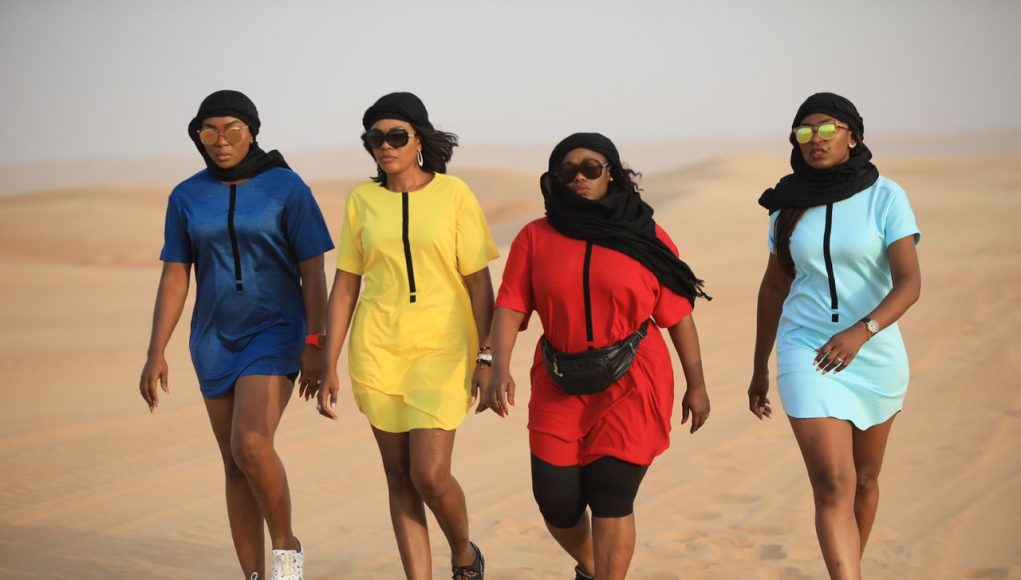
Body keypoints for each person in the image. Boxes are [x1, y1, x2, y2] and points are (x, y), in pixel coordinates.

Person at [481, 133, 711, 580]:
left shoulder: (646, 236)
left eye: (591, 168)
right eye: (567, 171)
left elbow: (679, 317)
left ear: (612, 174)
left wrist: (696, 384)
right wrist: (499, 368)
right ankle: (591, 567)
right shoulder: (535, 237)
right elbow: (510, 306)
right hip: (558, 377)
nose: (580, 178)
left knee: (612, 495)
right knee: (556, 500)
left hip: (633, 379)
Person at [139, 90, 333, 580]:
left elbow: (313, 270)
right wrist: (156, 350)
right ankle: (253, 574)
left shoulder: (286, 188)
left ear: (252, 132)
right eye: (209, 129)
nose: (220, 139)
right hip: (212, 338)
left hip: (276, 330)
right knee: (233, 463)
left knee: (250, 443)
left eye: (232, 129)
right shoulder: (186, 196)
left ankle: (286, 551)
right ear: (198, 136)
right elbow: (176, 275)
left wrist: (316, 342)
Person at [314, 92, 497, 580]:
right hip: (377, 350)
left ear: (419, 140)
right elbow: (345, 285)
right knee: (398, 476)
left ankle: (463, 552)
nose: (385, 146)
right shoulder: (362, 200)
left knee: (429, 474)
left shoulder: (454, 194)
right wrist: (329, 364)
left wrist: (487, 355)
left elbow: (479, 283)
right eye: (374, 138)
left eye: (396, 136)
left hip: (443, 349)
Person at [747, 93, 922, 579]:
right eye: (804, 132)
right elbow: (774, 287)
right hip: (806, 350)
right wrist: (759, 366)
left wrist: (861, 332)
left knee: (864, 481)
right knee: (832, 482)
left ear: (853, 137)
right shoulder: (785, 207)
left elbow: (909, 283)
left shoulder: (886, 197)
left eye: (827, 129)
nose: (815, 140)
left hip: (875, 351)